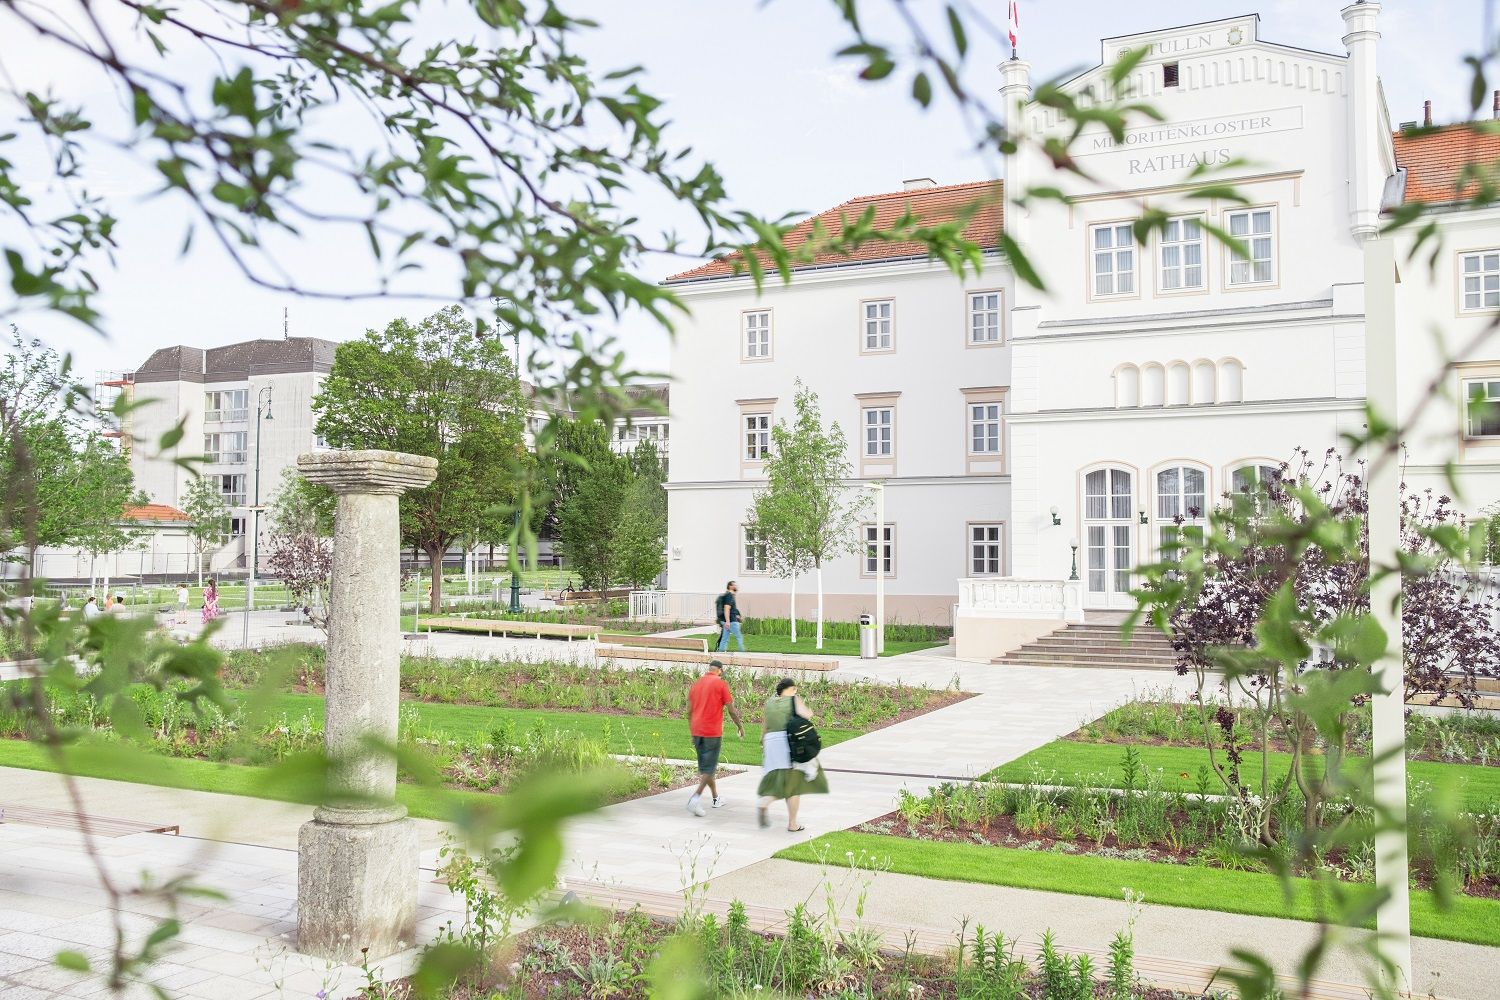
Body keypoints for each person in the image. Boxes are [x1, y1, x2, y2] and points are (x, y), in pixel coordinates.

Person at [757, 678, 828, 832]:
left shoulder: (770, 703)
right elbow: (807, 715)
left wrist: (762, 742)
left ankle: (765, 803)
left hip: (771, 742)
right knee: (794, 784)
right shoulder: (793, 699)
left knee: (782, 779)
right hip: (787, 742)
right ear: (791, 688)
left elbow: (765, 726)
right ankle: (791, 823)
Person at [685, 659, 744, 817]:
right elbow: (731, 709)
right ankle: (695, 799)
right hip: (712, 731)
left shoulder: (696, 684)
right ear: (720, 670)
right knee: (709, 768)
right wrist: (739, 726)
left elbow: (689, 711)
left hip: (697, 730)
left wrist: (692, 731)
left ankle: (716, 798)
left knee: (706, 768)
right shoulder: (720, 684)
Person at [714, 580, 745, 653]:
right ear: (730, 586)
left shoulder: (729, 595)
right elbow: (727, 608)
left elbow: (732, 609)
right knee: (739, 637)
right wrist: (728, 621)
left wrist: (738, 615)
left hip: (729, 621)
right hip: (732, 621)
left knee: (724, 639)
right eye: (734, 585)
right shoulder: (729, 595)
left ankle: (720, 653)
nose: (736, 586)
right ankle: (743, 654)